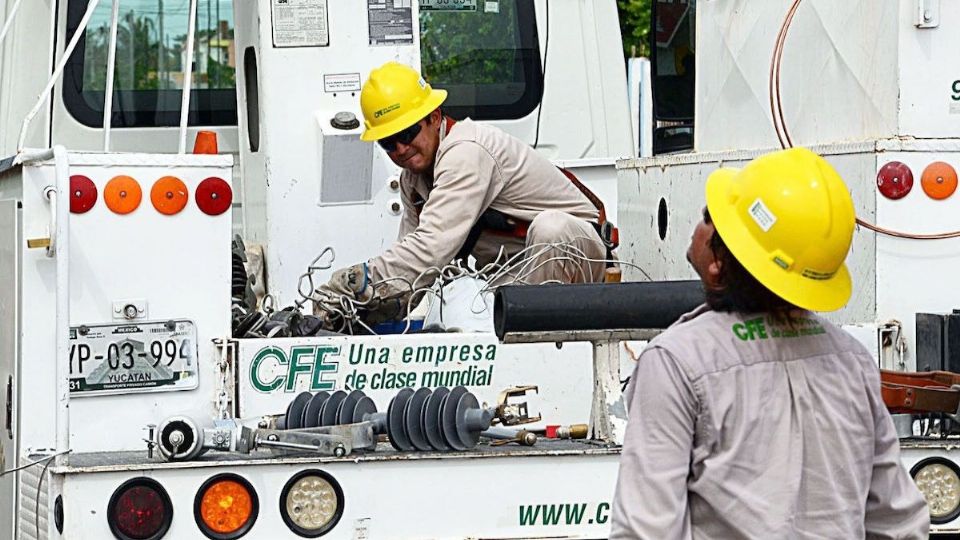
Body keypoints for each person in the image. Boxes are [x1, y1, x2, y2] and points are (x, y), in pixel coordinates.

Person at [610, 147, 929, 539]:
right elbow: (899, 523)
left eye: (709, 217)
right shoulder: (851, 361)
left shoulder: (677, 362)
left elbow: (647, 531)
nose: (699, 225)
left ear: (717, 261)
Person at [314, 62, 615, 323]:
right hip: (517, 280)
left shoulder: (466, 152)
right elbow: (414, 273)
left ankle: (542, 346)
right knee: (460, 312)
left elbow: (430, 249)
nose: (401, 149)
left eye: (407, 133)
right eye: (388, 143)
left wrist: (360, 281)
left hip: (581, 260)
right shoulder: (413, 183)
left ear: (434, 117)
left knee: (553, 229)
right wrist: (365, 310)